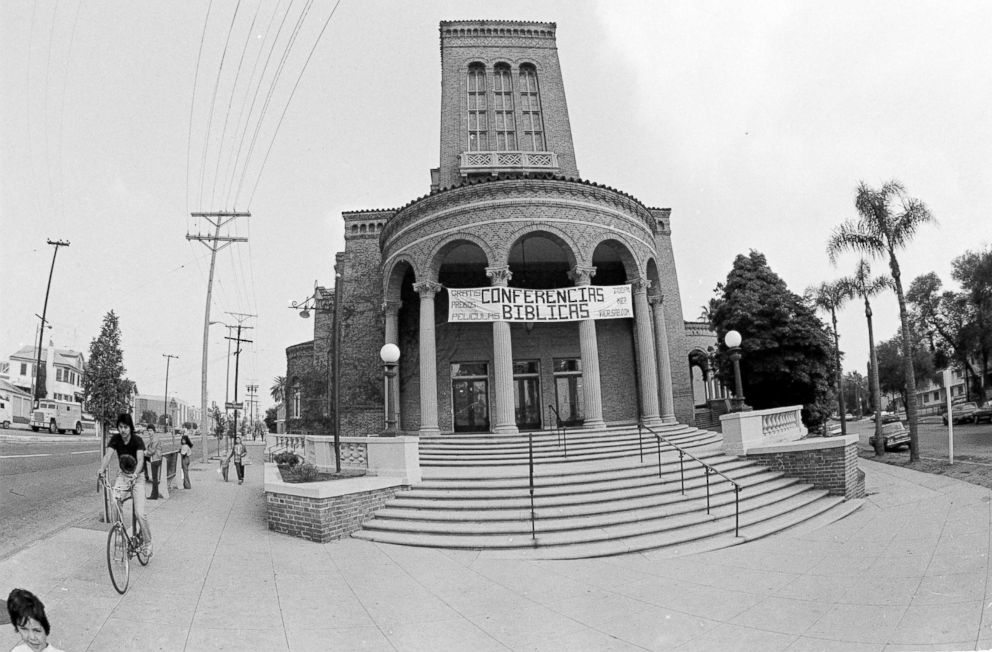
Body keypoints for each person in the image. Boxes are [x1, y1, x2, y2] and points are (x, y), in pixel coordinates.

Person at [97, 413, 152, 558]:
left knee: (139, 513)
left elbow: (140, 460)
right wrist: (101, 470)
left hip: (137, 477)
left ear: (130, 427)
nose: (123, 430)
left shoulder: (137, 440)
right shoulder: (115, 440)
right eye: (120, 427)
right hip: (123, 476)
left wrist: (135, 474)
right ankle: (120, 536)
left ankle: (147, 542)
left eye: (126, 427)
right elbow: (108, 456)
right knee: (114, 502)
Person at [145, 425, 163, 500]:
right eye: (148, 431)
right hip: (155, 458)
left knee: (154, 478)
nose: (149, 432)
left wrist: (145, 453)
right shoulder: (152, 438)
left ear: (154, 431)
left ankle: (154, 495)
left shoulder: (155, 439)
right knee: (155, 477)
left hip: (155, 459)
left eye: (151, 431)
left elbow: (152, 451)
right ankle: (154, 494)